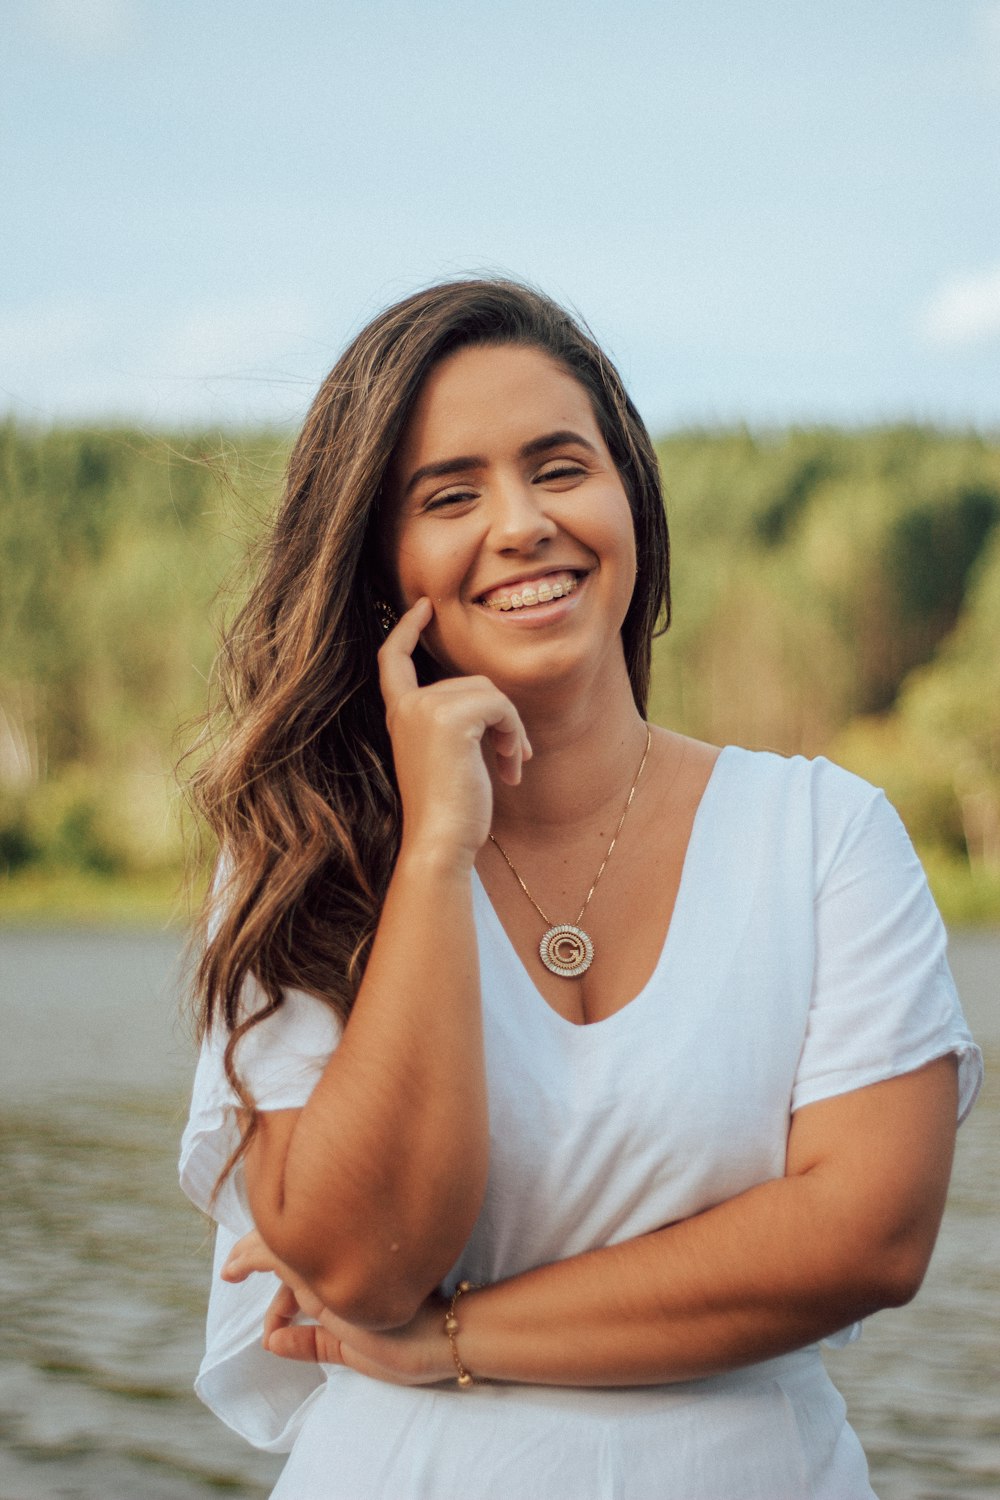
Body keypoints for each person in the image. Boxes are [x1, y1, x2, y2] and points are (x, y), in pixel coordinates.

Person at [180, 278, 982, 1500]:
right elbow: (369, 1262)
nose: (520, 523)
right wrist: (437, 850)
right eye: (449, 495)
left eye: (560, 468)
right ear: (376, 566)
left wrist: (451, 1340)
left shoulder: (824, 835)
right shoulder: (303, 856)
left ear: (630, 499)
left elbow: (864, 1236)